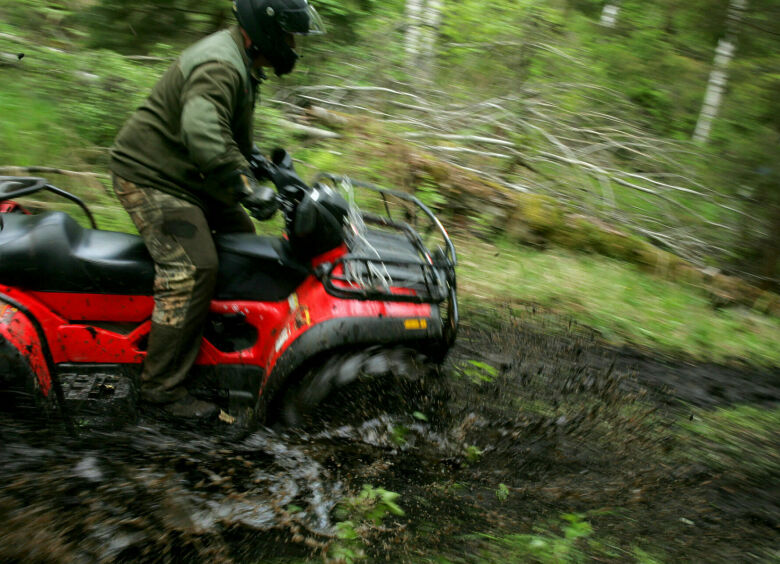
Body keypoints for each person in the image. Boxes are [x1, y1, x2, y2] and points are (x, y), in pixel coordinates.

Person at [109, 0, 325, 419]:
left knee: (244, 247)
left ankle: (214, 348)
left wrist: (258, 163)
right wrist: (247, 187)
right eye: (288, 35)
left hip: (190, 177)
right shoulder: (221, 64)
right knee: (192, 268)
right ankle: (161, 391)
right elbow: (204, 134)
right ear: (265, 31)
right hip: (152, 177)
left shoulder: (239, 58)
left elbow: (224, 127)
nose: (293, 45)